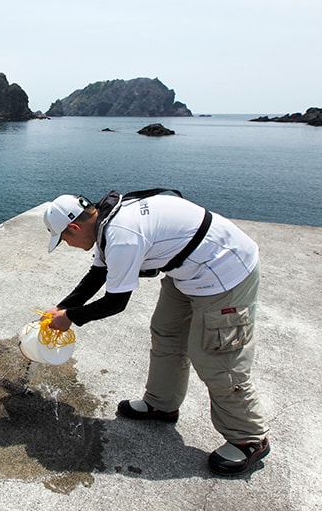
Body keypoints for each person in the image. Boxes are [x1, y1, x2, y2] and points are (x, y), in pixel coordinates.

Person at [43, 189, 269, 476]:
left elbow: (116, 302)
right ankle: (162, 405)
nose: (68, 244)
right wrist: (62, 307)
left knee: (215, 357)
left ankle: (249, 438)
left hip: (225, 272)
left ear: (74, 228)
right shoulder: (105, 221)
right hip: (189, 270)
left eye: (64, 239)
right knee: (166, 333)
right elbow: (97, 275)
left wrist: (71, 318)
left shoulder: (121, 235)